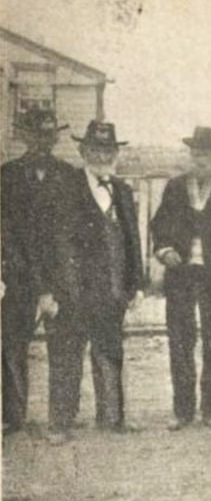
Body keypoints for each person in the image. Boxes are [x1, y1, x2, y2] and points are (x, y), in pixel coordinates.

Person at [37, 120, 145, 445]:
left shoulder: (122, 191)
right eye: (95, 149)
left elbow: (132, 240)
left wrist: (136, 284)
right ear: (83, 151)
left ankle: (112, 417)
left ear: (115, 153)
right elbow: (46, 244)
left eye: (108, 150)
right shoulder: (62, 187)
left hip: (112, 292)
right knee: (66, 357)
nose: (102, 155)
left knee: (110, 353)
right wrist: (46, 291)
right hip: (71, 293)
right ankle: (60, 423)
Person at [150, 126, 211, 431]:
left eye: (207, 154)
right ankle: (183, 410)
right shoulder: (175, 187)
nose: (201, 159)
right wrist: (165, 250)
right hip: (182, 274)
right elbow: (158, 226)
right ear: (190, 155)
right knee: (180, 340)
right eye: (197, 153)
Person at [1, 108, 72, 435]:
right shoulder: (7, 176)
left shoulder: (69, 175)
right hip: (18, 274)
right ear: (24, 137)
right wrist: (16, 266)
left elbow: (73, 231)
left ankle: (61, 418)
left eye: (49, 136)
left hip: (59, 277)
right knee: (13, 344)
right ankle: (13, 418)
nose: (43, 143)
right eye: (37, 136)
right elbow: (4, 229)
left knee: (62, 347)